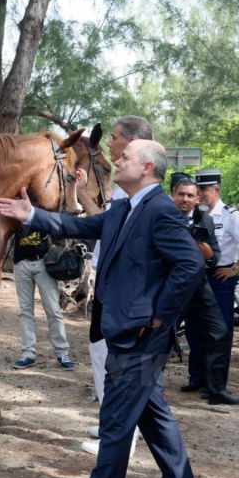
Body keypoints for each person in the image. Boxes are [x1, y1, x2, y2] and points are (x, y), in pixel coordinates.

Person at [0, 140, 203, 478]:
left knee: (115, 420)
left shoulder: (161, 210)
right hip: (128, 330)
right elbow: (78, 225)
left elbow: (191, 265)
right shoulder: (124, 207)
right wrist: (31, 215)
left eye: (125, 157)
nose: (117, 161)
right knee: (151, 411)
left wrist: (158, 315)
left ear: (146, 167)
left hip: (140, 336)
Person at [76, 116, 152, 457]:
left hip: (122, 290)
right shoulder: (123, 186)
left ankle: (120, 436)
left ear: (132, 142)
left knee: (115, 361)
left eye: (115, 137)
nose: (109, 143)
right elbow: (102, 223)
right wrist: (80, 192)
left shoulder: (139, 190)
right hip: (107, 280)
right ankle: (114, 424)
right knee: (100, 353)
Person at [188, 169, 239, 395]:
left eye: (204, 189)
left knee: (218, 333)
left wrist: (235, 268)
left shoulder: (230, 216)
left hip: (219, 278)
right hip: (195, 277)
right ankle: (197, 377)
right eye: (198, 189)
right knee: (194, 329)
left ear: (217, 190)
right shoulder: (194, 214)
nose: (199, 194)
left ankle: (215, 384)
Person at [173, 178, 239, 405]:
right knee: (161, 335)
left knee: (219, 332)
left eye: (190, 195)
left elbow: (214, 255)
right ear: (173, 194)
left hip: (202, 285)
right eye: (181, 194)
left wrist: (203, 248)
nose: (185, 199)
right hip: (172, 287)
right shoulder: (163, 216)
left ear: (197, 199)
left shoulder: (205, 220)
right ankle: (145, 384)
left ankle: (216, 389)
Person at [11, 228, 74, 371]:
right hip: (20, 263)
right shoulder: (16, 217)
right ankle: (28, 353)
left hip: (43, 264)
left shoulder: (43, 216)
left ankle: (62, 353)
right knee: (25, 311)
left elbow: (60, 233)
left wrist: (57, 252)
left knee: (53, 310)